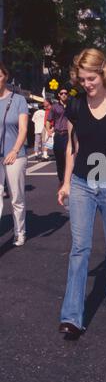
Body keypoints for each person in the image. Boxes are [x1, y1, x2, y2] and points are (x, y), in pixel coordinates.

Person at [58, 48, 106, 336]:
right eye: (82, 80)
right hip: (81, 184)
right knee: (80, 249)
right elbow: (72, 147)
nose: (86, 84)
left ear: (103, 73)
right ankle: (71, 316)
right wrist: (65, 183)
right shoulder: (75, 106)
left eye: (90, 78)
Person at [0, 62, 28, 246]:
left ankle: (20, 231)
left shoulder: (18, 100)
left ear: (5, 77)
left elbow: (23, 129)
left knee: (16, 197)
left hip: (15, 154)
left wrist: (14, 150)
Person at [46, 86, 69, 187]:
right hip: (59, 135)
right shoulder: (55, 107)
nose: (64, 95)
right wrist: (48, 131)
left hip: (69, 135)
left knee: (70, 157)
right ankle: (61, 179)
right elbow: (48, 120)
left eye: (65, 93)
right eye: (62, 93)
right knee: (60, 159)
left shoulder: (71, 105)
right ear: (59, 95)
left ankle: (69, 179)